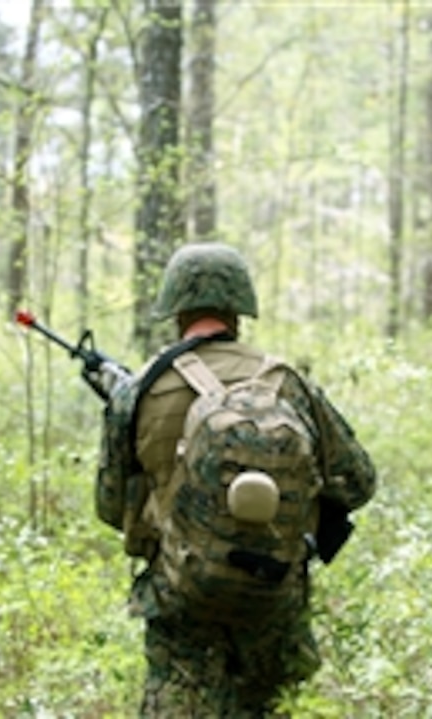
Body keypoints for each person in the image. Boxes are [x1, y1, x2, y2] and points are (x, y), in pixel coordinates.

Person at [97, 242, 376, 716]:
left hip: (180, 597)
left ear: (175, 309)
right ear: (239, 308)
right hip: (273, 596)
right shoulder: (288, 383)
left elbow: (108, 507)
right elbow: (358, 482)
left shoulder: (138, 389)